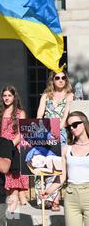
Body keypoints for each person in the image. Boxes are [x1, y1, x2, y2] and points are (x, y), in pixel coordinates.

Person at [40, 111, 89, 226]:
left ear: (84, 123)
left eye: (75, 124)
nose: (72, 128)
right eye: (69, 127)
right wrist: (48, 191)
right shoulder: (66, 149)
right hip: (71, 196)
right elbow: (62, 177)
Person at [36, 71, 74, 211]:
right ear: (53, 80)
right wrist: (41, 129)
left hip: (61, 132)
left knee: (58, 165)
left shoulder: (70, 95)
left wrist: (58, 128)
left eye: (63, 78)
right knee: (45, 164)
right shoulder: (46, 96)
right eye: (57, 78)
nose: (60, 80)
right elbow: (40, 113)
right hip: (45, 131)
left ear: (66, 80)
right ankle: (45, 198)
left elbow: (66, 114)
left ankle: (56, 200)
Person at [0, 85, 28, 212]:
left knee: (14, 185)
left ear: (14, 97)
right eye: (5, 96)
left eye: (9, 95)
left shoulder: (20, 113)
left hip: (15, 149)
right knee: (6, 186)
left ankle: (12, 215)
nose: (7, 98)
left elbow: (22, 133)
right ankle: (12, 216)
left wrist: (10, 145)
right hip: (1, 150)